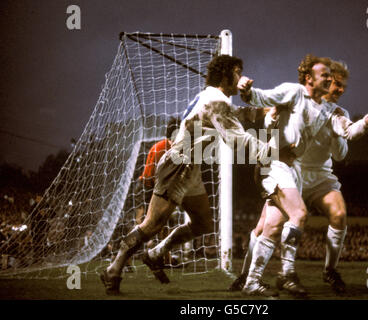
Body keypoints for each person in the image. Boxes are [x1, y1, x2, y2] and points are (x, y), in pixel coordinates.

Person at [100, 54, 278, 295]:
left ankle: (155, 254)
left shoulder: (213, 97)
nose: (241, 77)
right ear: (225, 74)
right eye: (237, 72)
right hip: (178, 164)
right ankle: (114, 268)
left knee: (203, 223)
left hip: (190, 168)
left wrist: (267, 109)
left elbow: (238, 114)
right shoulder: (216, 100)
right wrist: (269, 151)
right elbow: (236, 139)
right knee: (152, 223)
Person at [236, 54, 368, 297]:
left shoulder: (329, 111)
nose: (333, 83)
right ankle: (285, 274)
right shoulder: (293, 92)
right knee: (294, 215)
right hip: (275, 164)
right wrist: (246, 91)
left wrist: (367, 119)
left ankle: (252, 281)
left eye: (335, 80)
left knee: (272, 227)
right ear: (310, 79)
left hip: (295, 171)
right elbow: (262, 98)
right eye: (328, 77)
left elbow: (347, 133)